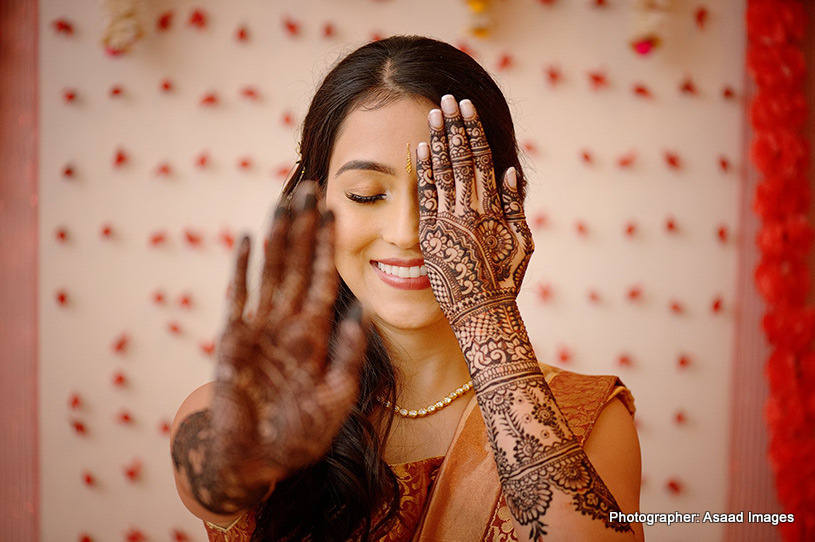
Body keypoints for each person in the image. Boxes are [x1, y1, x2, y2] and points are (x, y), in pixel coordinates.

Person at [170, 35, 643, 542]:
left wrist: (487, 315)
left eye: (442, 193)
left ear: (506, 204)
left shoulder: (587, 419)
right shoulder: (238, 413)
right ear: (316, 200)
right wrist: (256, 445)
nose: (405, 231)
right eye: (366, 194)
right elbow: (216, 486)